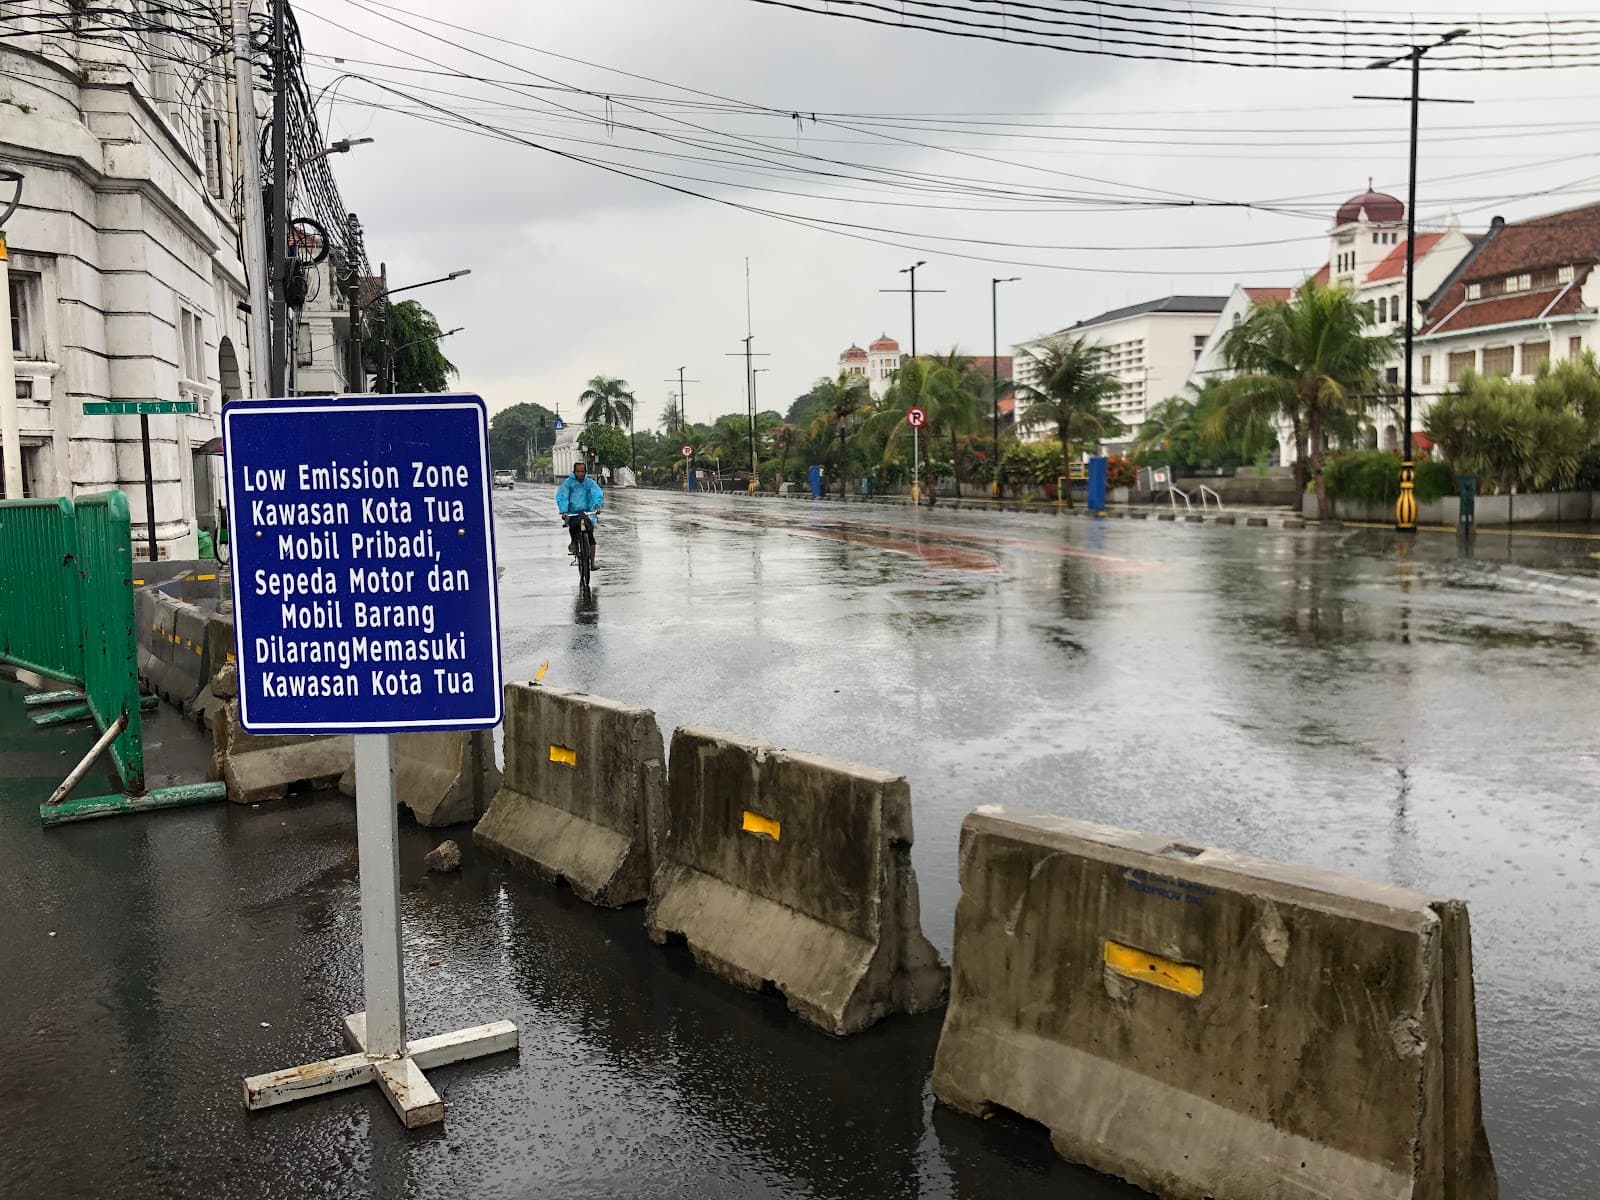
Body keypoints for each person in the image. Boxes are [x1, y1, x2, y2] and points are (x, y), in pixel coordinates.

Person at [555, 458, 603, 568]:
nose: (580, 473)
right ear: (574, 471)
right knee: (573, 528)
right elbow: (563, 496)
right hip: (573, 513)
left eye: (582, 471)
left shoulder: (589, 482)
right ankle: (574, 543)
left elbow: (597, 493)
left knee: (590, 535)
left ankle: (592, 563)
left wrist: (597, 505)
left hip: (586, 513)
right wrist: (564, 511)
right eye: (578, 471)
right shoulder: (568, 483)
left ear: (585, 472)